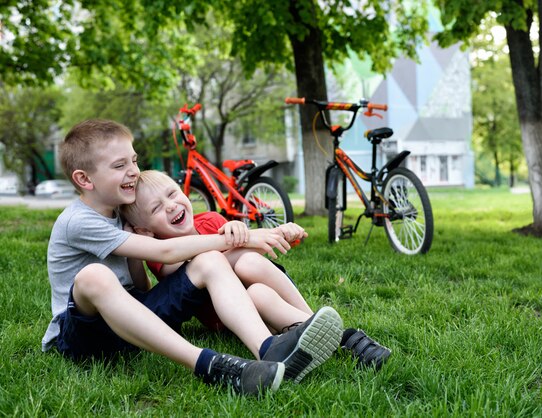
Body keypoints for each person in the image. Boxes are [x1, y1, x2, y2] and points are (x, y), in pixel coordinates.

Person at [42, 119, 344, 396]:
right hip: (81, 338)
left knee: (209, 259)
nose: (133, 171)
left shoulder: (122, 217)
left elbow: (142, 292)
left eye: (133, 160)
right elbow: (166, 252)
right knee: (94, 275)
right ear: (84, 179)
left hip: (131, 327)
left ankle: (267, 348)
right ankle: (212, 365)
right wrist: (245, 237)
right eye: (119, 165)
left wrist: (135, 253)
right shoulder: (78, 221)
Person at [120, 170, 391, 370]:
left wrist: (258, 232)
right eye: (156, 208)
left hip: (260, 292)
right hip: (228, 316)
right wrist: (235, 240)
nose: (171, 206)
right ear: (146, 230)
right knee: (240, 264)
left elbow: (249, 246)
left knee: (257, 284)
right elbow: (179, 268)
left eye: (172, 194)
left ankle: (318, 327)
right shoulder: (163, 251)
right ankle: (333, 337)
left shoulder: (212, 220)